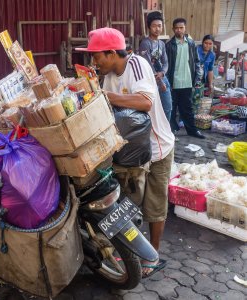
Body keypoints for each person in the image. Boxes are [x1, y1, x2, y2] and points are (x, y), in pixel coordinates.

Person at [76, 28, 174, 278]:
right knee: (129, 202)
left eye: (97, 56)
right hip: (130, 153)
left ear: (111, 53)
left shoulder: (136, 64)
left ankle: (153, 253)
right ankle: (132, 250)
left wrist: (105, 96)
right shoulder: (108, 77)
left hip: (157, 148)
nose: (94, 62)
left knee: (155, 206)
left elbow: (145, 102)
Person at [165, 18, 205, 139]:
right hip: (173, 83)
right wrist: (167, 82)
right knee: (171, 109)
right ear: (173, 29)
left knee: (187, 108)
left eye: (181, 27)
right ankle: (171, 132)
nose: (179, 30)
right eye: (176, 28)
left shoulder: (191, 44)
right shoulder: (169, 45)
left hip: (187, 81)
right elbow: (166, 65)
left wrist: (197, 78)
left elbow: (197, 62)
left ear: (185, 28)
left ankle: (192, 130)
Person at [139, 11, 172, 122]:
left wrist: (162, 73)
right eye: (154, 26)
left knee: (167, 108)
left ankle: (166, 133)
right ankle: (154, 135)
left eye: (159, 26)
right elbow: (147, 64)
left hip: (162, 77)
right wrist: (160, 82)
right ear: (149, 27)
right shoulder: (145, 43)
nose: (157, 29)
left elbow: (166, 62)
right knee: (152, 110)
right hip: (150, 81)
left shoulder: (161, 44)